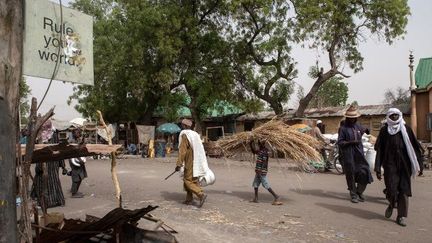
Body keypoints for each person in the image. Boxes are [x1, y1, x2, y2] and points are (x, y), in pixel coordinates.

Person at [374, 108, 423, 227]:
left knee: (404, 190)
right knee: (391, 188)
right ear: (388, 117)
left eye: (396, 115)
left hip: (404, 164)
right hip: (390, 164)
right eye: (392, 115)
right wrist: (377, 168)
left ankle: (401, 216)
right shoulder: (385, 131)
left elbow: (415, 148)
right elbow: (380, 149)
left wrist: (420, 165)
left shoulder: (406, 129)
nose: (395, 117)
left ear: (400, 116)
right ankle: (392, 203)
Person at [337, 105, 373, 203]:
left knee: (364, 171)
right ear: (347, 118)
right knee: (351, 173)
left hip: (359, 153)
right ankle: (353, 194)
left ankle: (359, 191)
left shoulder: (358, 125)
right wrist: (350, 142)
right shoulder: (343, 129)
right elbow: (340, 142)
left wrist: (366, 130)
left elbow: (362, 130)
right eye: (350, 118)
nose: (353, 120)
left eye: (354, 118)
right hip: (348, 153)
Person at [175, 119, 208, 207]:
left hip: (189, 160)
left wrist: (179, 163)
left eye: (182, 125)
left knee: (187, 180)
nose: (181, 126)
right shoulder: (195, 134)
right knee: (193, 180)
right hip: (197, 159)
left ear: (185, 126)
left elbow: (182, 151)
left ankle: (200, 194)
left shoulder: (185, 134)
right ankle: (189, 199)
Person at [250, 140, 282, 205]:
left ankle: (276, 196)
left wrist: (260, 171)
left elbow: (264, 162)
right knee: (255, 184)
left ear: (262, 144)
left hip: (261, 172)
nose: (259, 145)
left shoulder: (264, 151)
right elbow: (254, 151)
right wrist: (251, 144)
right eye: (258, 143)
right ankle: (256, 198)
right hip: (258, 171)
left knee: (265, 184)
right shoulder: (260, 150)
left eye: (259, 143)